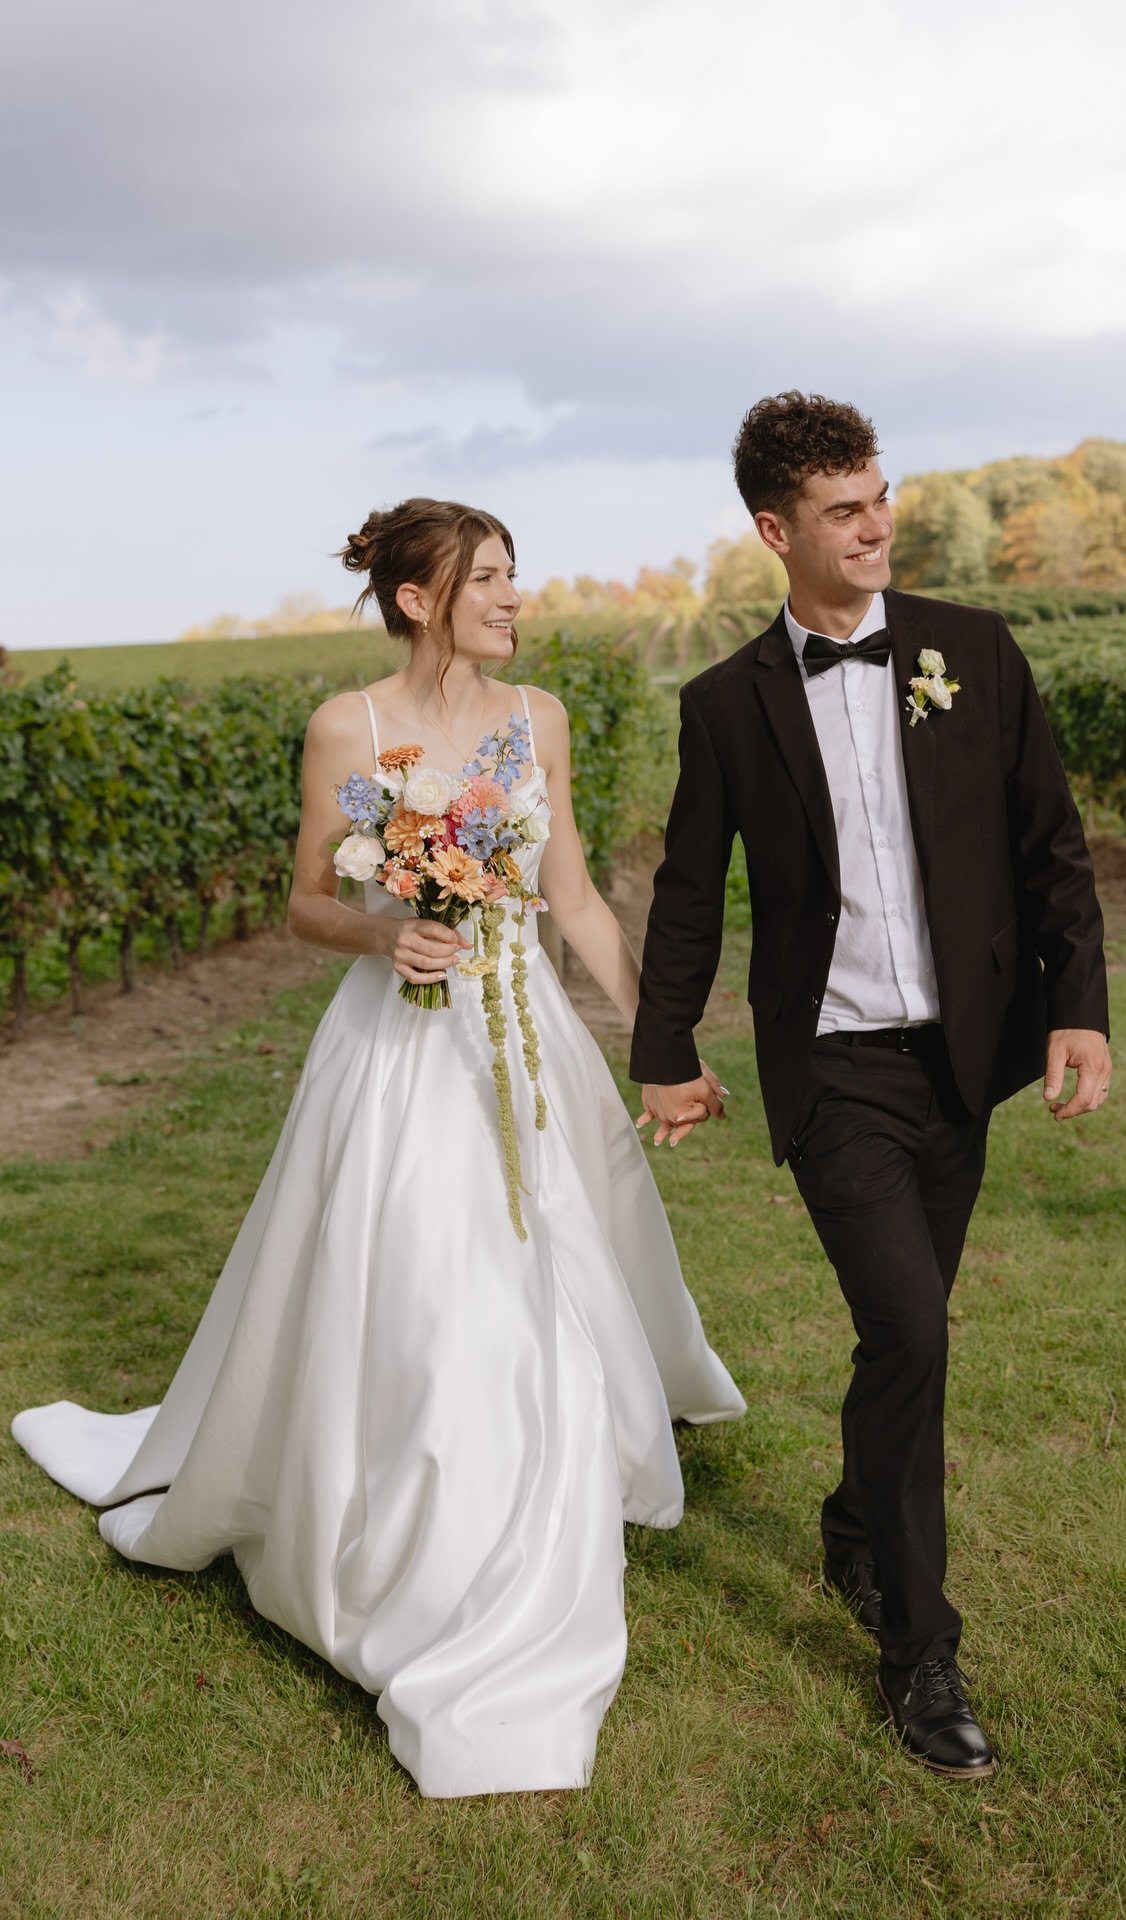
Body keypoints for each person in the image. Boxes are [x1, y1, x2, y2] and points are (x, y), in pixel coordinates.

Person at [12, 497, 744, 1798]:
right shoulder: (348, 733)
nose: (518, 600)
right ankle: (404, 1528)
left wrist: (662, 1041)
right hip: (398, 1050)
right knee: (415, 1287)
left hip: (523, 1036)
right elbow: (310, 896)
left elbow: (569, 891)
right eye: (494, 581)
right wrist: (383, 933)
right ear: (419, 597)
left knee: (542, 1278)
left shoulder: (540, 725)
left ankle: (536, 1487)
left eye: (519, 578)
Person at [631, 394, 1110, 1780]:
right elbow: (685, 896)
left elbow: (1054, 851)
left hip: (960, 1064)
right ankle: (921, 1650)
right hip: (834, 1072)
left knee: (907, 1338)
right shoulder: (727, 707)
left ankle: (855, 1522)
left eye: (882, 497)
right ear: (777, 531)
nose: (878, 525)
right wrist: (665, 1050)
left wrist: (1074, 1013)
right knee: (911, 1328)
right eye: (845, 510)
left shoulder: (975, 651)